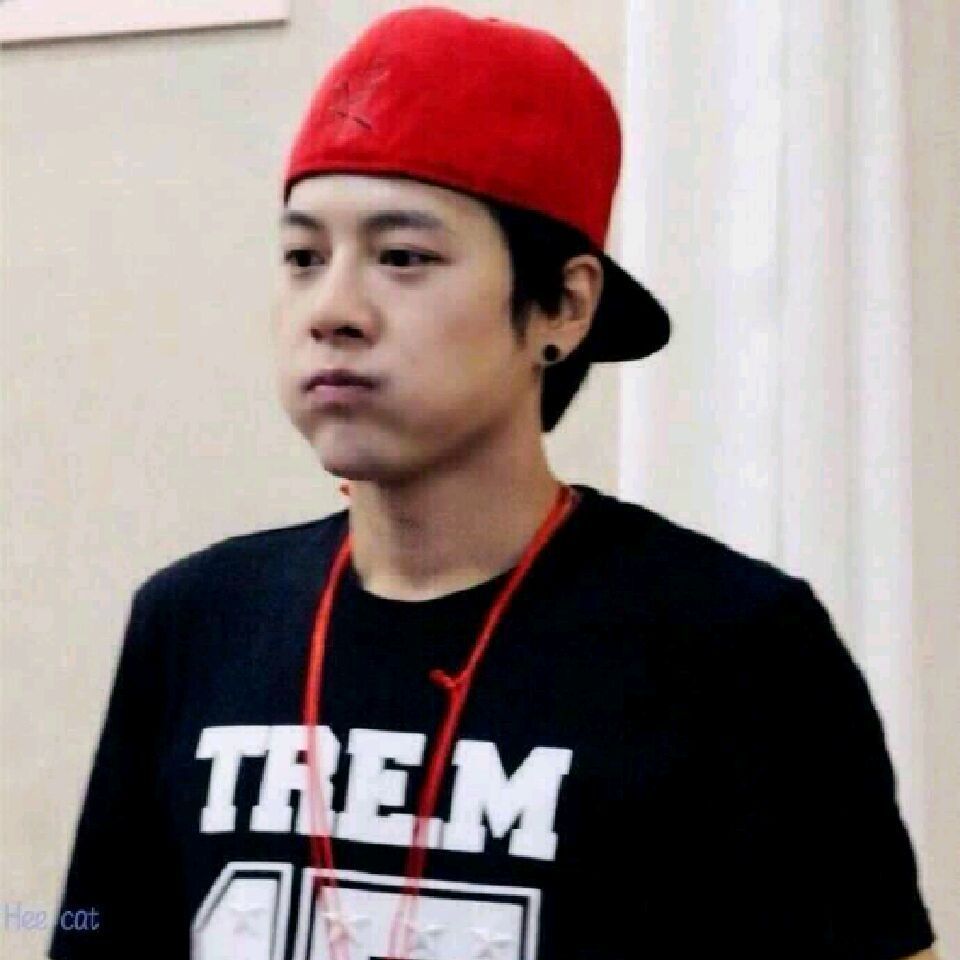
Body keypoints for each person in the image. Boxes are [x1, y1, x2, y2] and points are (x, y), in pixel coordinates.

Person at [49, 7, 939, 960]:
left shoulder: (734, 648)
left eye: (403, 258)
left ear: (565, 306)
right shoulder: (196, 623)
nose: (332, 310)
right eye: (304, 257)